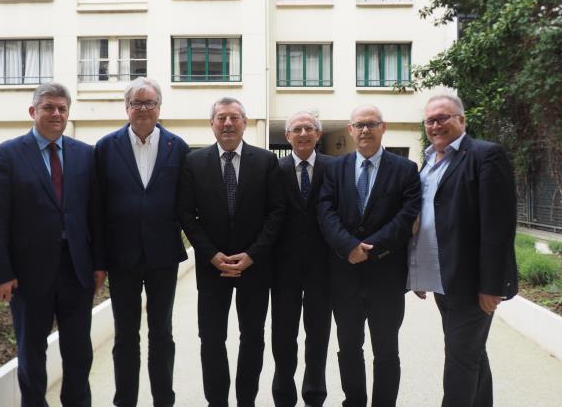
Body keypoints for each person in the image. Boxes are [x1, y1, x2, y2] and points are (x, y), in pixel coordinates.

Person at [0, 82, 106, 407]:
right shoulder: (7, 154)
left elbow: (95, 215)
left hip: (76, 272)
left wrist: (98, 264)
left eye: (62, 109)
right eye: (49, 107)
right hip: (27, 276)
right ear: (33, 111)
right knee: (32, 354)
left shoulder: (85, 155)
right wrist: (0, 273)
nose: (56, 114)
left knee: (79, 354)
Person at [408, 94, 518, 407]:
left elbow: (498, 227)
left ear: (462, 120)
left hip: (472, 283)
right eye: (430, 120)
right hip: (444, 278)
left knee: (459, 358)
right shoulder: (429, 162)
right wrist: (418, 270)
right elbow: (426, 218)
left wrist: (491, 286)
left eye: (443, 117)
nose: (435, 125)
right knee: (470, 353)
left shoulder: (485, 155)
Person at [177, 97, 284, 407]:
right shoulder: (193, 162)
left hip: (255, 266)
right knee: (211, 339)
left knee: (252, 338)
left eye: (234, 117)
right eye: (221, 118)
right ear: (212, 124)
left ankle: (246, 400)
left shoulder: (266, 161)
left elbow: (276, 213)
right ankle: (217, 401)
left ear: (244, 123)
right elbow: (185, 214)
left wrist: (252, 255)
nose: (227, 123)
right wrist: (212, 255)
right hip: (213, 268)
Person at [318, 105, 421, 407]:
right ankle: (355, 402)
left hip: (386, 277)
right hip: (344, 276)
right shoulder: (335, 168)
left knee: (387, 351)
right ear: (350, 129)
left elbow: (406, 216)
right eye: (359, 125)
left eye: (371, 124)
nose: (365, 130)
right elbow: (325, 212)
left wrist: (369, 249)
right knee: (348, 348)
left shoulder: (405, 169)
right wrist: (348, 246)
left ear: (383, 128)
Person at [95, 77, 189, 407]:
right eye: (137, 103)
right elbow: (98, 206)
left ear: (159, 107)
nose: (143, 109)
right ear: (127, 108)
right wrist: (99, 260)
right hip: (122, 257)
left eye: (150, 103)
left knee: (161, 333)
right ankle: (126, 401)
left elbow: (185, 202)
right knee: (125, 336)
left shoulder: (177, 147)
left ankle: (164, 400)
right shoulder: (107, 147)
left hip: (163, 255)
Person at [271, 111, 332, 407]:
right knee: (283, 337)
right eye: (297, 129)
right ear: (288, 137)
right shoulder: (275, 169)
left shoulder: (334, 168)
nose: (304, 133)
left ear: (318, 134)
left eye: (310, 128)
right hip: (283, 269)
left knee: (318, 337)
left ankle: (314, 395)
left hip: (324, 269)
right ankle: (283, 395)